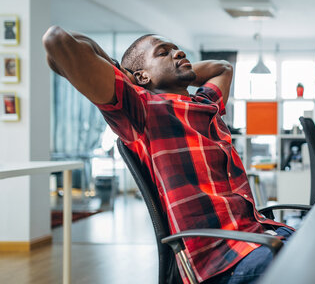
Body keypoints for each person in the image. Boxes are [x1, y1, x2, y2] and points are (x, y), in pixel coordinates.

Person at [42, 26, 294, 284]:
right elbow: (57, 42)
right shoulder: (141, 110)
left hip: (259, 235)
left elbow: (222, 68)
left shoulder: (205, 105)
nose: (178, 52)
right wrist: (124, 74)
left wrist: (177, 66)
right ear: (140, 77)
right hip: (221, 262)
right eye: (164, 52)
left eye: (177, 49)